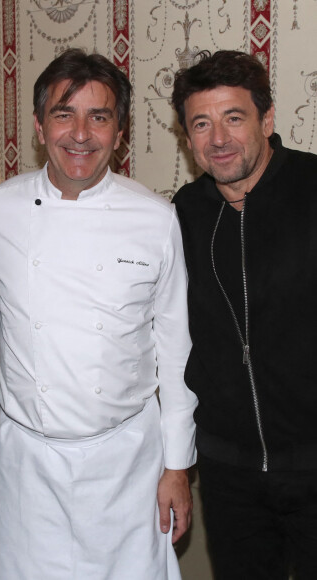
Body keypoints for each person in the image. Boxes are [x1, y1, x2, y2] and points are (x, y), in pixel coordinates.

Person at [0, 48, 198, 580]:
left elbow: (176, 352)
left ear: (118, 132)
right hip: (25, 461)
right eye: (63, 114)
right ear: (38, 126)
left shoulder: (156, 218)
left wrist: (177, 466)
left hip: (126, 462)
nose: (80, 134)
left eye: (99, 117)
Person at [172, 50, 317, 579]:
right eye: (202, 124)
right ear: (187, 139)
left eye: (234, 117)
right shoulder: (183, 214)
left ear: (267, 119)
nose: (219, 139)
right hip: (228, 475)